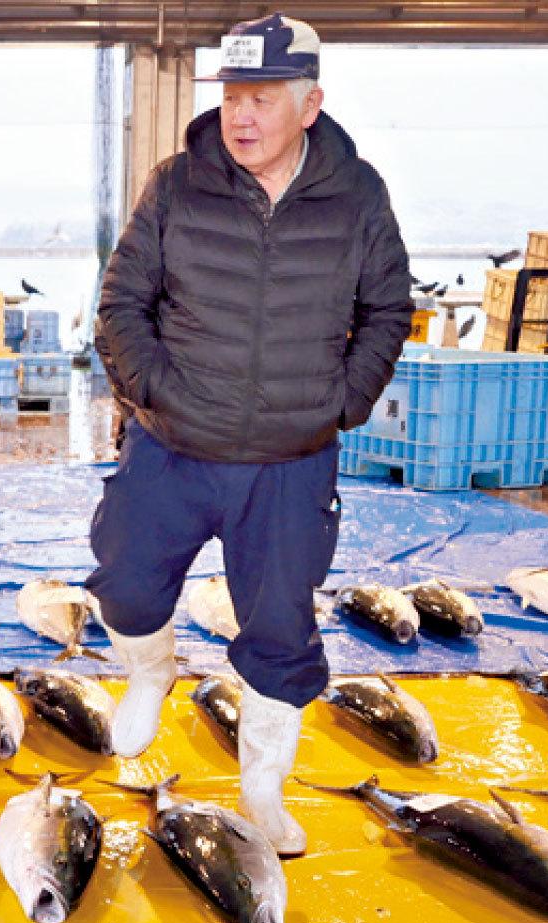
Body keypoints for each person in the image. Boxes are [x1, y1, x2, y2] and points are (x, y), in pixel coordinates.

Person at [89, 13, 412, 855]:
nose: (240, 116)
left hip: (289, 461)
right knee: (122, 580)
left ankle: (263, 790)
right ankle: (152, 672)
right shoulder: (175, 182)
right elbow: (121, 303)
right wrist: (151, 389)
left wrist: (345, 401)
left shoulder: (359, 193)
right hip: (172, 444)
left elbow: (386, 309)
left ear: (310, 103)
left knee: (280, 630)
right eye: (232, 95)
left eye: (261, 98)